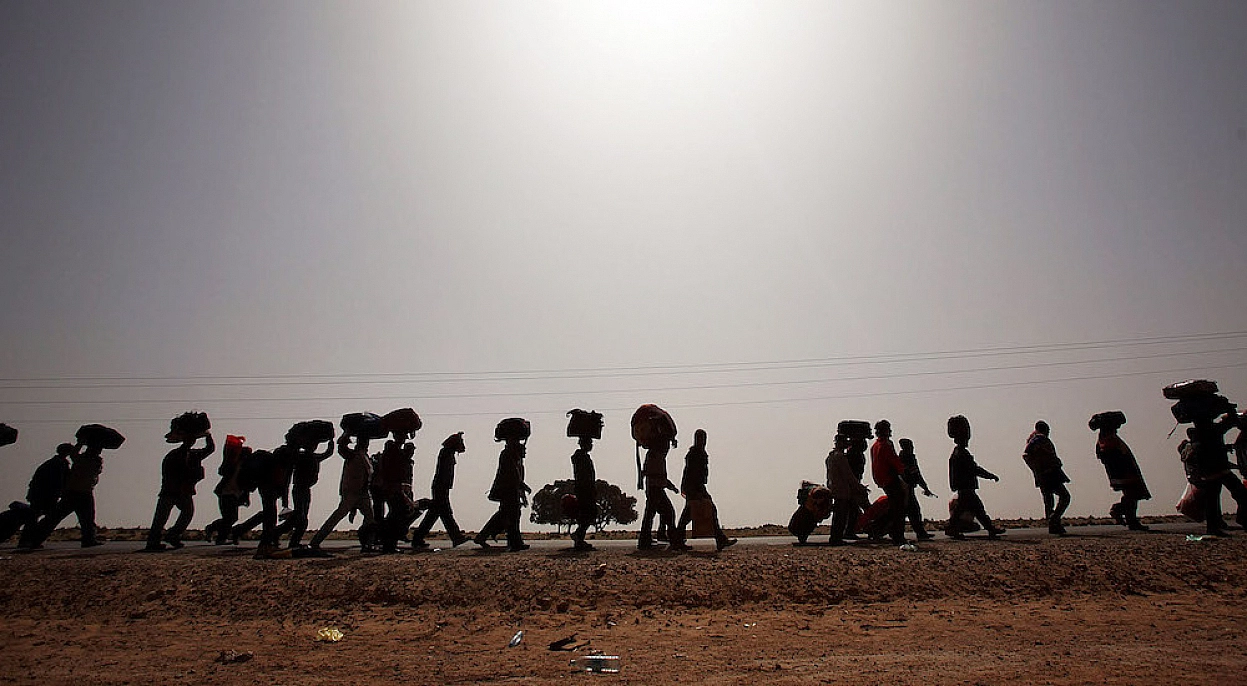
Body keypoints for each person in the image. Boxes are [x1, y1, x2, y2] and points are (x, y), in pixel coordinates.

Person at [20, 441, 110, 549]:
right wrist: (80, 442)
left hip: (78, 492)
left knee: (72, 517)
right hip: (78, 493)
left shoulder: (84, 460)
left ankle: (35, 539)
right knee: (74, 517)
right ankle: (88, 539)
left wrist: (80, 442)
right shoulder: (85, 460)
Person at [144, 432, 216, 551]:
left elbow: (210, 449)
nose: (191, 442)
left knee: (186, 514)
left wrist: (208, 435)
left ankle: (172, 535)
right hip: (171, 490)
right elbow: (167, 473)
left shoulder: (193, 454)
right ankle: (154, 542)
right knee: (161, 518)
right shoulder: (174, 455)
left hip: (182, 491)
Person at [308, 433, 376, 553]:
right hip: (351, 493)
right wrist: (347, 434)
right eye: (364, 441)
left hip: (363, 493)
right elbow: (341, 447)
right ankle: (315, 542)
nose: (366, 444)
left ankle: (368, 544)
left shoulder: (365, 457)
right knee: (336, 517)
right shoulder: (352, 454)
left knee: (370, 519)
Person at [674, 429, 736, 551]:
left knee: (693, 513)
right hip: (695, 487)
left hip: (695, 487)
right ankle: (720, 539)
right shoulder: (696, 454)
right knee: (703, 511)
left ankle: (678, 540)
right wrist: (693, 490)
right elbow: (690, 473)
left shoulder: (697, 453)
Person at [945, 415, 1005, 540]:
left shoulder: (959, 453)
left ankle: (989, 529)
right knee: (977, 509)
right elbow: (974, 469)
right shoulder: (961, 454)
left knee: (973, 510)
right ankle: (989, 529)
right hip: (966, 487)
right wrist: (990, 476)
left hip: (965, 487)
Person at [272, 432, 334, 549]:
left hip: (304, 490)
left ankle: (286, 538)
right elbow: (327, 453)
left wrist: (331, 441)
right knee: (301, 519)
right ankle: (279, 535)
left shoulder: (310, 457)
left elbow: (328, 453)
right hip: (300, 489)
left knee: (300, 518)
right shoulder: (302, 457)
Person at [474, 429, 531, 552]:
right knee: (512, 516)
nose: (525, 452)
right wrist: (523, 486)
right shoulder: (508, 455)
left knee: (506, 515)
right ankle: (515, 542)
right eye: (523, 450)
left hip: (510, 490)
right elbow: (513, 475)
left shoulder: (513, 457)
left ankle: (485, 537)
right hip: (507, 490)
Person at [1091, 414, 1150, 530]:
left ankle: (1130, 519)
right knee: (1132, 495)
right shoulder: (1109, 440)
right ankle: (1121, 512)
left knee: (1131, 495)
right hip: (1124, 473)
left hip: (1122, 473)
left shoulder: (1106, 439)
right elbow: (1114, 458)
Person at [412, 432, 469, 549]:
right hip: (441, 487)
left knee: (435, 513)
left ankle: (418, 537)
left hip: (442, 487)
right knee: (445, 513)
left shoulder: (447, 452)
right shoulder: (446, 453)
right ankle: (456, 537)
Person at [1022, 421, 1071, 536]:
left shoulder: (1035, 439)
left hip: (1044, 474)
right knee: (1065, 497)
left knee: (1049, 501)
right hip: (1049, 474)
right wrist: (1038, 468)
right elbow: (1026, 455)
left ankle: (1053, 525)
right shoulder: (1039, 439)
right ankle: (1054, 519)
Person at [373, 428, 417, 552]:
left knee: (397, 513)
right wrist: (400, 487)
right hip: (392, 488)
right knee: (397, 514)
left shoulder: (395, 452)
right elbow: (391, 473)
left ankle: (389, 543)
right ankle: (388, 544)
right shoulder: (393, 452)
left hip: (394, 487)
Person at [637, 437, 685, 551]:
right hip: (655, 489)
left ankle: (646, 540)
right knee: (668, 512)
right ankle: (673, 541)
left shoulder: (655, 456)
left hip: (654, 488)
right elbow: (657, 476)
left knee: (652, 514)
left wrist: (671, 487)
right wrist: (670, 486)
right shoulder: (655, 456)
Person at [869, 420, 910, 545]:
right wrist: (904, 473)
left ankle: (878, 528)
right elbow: (894, 461)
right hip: (890, 479)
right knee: (899, 507)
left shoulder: (875, 446)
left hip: (882, 479)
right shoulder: (885, 445)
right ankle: (897, 535)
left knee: (894, 506)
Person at [204, 436, 251, 545]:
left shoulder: (245, 469)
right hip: (225, 493)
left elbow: (246, 486)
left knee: (230, 518)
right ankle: (217, 535)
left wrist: (245, 497)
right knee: (230, 518)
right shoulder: (232, 464)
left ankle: (214, 531)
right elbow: (222, 471)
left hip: (234, 494)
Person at [825, 433, 864, 544]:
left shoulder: (831, 457)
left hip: (834, 488)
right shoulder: (840, 457)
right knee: (840, 515)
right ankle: (836, 538)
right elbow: (848, 475)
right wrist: (859, 487)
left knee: (839, 514)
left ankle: (836, 537)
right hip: (842, 489)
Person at [897, 438, 935, 540]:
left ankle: (919, 533)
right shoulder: (908, 458)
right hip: (907, 488)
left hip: (905, 487)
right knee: (913, 511)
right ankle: (920, 533)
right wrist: (925, 487)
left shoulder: (901, 458)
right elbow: (916, 474)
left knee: (910, 511)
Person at [568, 435, 598, 551]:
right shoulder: (581, 458)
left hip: (584, 489)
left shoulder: (582, 457)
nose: (591, 446)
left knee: (588, 514)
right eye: (590, 443)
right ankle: (579, 536)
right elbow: (584, 476)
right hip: (584, 489)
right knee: (589, 513)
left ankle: (579, 538)